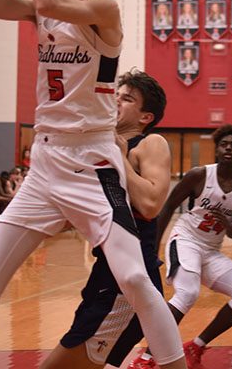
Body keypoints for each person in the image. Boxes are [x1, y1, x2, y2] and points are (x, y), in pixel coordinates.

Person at [0, 0, 186, 369]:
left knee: (139, 281)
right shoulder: (41, 3)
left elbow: (50, 3)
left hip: (93, 161)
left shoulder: (103, 10)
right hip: (45, 161)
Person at [41, 70, 171, 369]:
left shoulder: (149, 144)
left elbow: (151, 204)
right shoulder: (101, 150)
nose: (116, 101)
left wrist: (120, 157)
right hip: (105, 273)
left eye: (126, 99)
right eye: (115, 95)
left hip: (126, 280)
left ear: (145, 117)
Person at [132, 124, 232, 369]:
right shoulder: (199, 175)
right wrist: (152, 247)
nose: (229, 148)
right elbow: (167, 207)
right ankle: (146, 357)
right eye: (224, 144)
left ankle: (196, 346)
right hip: (186, 239)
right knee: (187, 294)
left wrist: (228, 224)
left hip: (211, 250)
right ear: (217, 150)